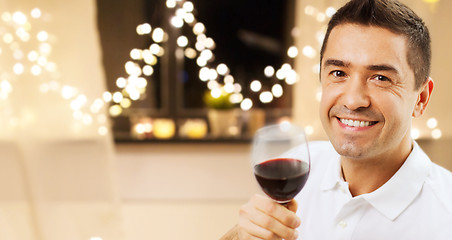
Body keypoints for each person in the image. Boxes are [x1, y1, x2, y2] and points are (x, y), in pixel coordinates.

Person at [221, 0, 452, 239]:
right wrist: (241, 235)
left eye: (381, 78)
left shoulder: (446, 216)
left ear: (421, 99)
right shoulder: (300, 165)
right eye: (339, 73)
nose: (353, 101)